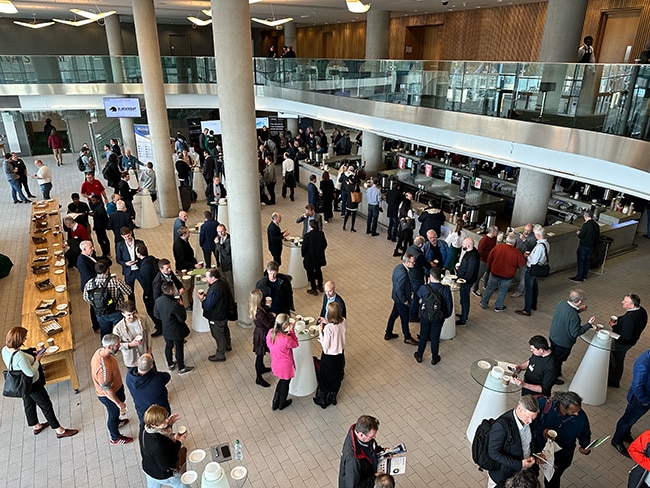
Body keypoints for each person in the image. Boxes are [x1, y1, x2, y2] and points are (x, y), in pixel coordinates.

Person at [2, 327, 78, 439]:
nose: (25, 339)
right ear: (19, 340)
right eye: (24, 338)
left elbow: (17, 356)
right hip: (32, 384)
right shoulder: (20, 357)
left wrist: (31, 353)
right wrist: (37, 359)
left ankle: (36, 426)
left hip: (23, 386)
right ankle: (59, 430)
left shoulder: (4, 350)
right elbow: (30, 372)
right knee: (46, 405)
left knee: (29, 404)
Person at [533, 391, 592, 488]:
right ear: (563, 407)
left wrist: (585, 446)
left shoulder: (581, 417)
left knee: (553, 479)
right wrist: (542, 430)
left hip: (562, 455)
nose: (577, 414)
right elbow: (532, 421)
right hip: (539, 450)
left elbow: (585, 433)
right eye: (573, 412)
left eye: (578, 410)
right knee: (533, 473)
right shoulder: (545, 405)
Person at [487, 395, 539, 488]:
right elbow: (493, 452)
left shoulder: (528, 421)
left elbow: (529, 443)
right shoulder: (501, 426)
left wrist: (537, 454)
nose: (530, 421)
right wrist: (520, 464)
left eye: (533, 418)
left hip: (523, 472)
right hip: (503, 476)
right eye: (528, 417)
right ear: (519, 408)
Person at [90, 333, 133, 445]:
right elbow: (107, 390)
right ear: (109, 347)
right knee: (113, 414)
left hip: (116, 387)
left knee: (116, 413)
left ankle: (118, 421)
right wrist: (119, 403)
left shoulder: (101, 351)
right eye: (117, 345)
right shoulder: (103, 369)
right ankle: (115, 437)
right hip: (109, 395)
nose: (119, 347)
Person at [547, 289, 596, 385]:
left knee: (554, 357)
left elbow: (566, 315)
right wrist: (589, 324)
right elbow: (576, 332)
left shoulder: (561, 303)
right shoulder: (574, 316)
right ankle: (553, 377)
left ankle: (556, 372)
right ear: (580, 301)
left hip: (554, 336)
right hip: (563, 342)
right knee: (558, 360)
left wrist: (578, 310)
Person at [612, 349, 650, 457]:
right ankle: (617, 440)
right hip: (640, 399)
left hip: (646, 397)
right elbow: (637, 386)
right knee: (627, 420)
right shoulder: (643, 364)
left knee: (632, 419)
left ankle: (626, 434)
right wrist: (645, 401)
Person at [141, 405, 188, 488]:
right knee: (182, 485)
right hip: (162, 474)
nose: (167, 420)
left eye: (166, 417)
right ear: (154, 424)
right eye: (163, 421)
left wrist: (168, 424)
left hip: (148, 468)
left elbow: (161, 434)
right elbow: (167, 464)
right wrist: (179, 442)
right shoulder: (158, 445)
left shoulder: (144, 428)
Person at [83, 260, 132, 338]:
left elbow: (86, 298)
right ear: (108, 269)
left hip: (100, 313)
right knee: (121, 330)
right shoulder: (115, 281)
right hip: (116, 311)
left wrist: (98, 304)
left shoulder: (89, 283)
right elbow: (128, 291)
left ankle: (107, 347)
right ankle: (122, 345)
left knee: (105, 332)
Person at [414, 267, 453, 365]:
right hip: (438, 318)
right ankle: (434, 358)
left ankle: (419, 355)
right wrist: (445, 316)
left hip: (425, 316)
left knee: (423, 335)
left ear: (430, 276)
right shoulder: (445, 289)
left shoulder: (424, 288)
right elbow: (449, 306)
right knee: (435, 337)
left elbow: (418, 299)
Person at [609, 294, 648, 387]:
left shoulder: (630, 319)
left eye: (625, 301)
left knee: (617, 360)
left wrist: (614, 326)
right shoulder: (641, 310)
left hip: (623, 343)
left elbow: (625, 336)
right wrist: (619, 319)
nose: (622, 302)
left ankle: (614, 380)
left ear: (632, 304)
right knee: (616, 359)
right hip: (633, 340)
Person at [154, 281, 193, 375]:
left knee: (168, 346)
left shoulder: (158, 300)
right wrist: (181, 305)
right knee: (179, 348)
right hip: (176, 330)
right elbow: (182, 318)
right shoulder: (174, 304)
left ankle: (170, 364)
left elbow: (156, 314)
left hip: (166, 329)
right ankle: (181, 367)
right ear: (171, 291)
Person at [480, 234, 525, 313]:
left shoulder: (498, 247)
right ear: (515, 243)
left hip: (494, 273)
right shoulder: (516, 252)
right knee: (502, 291)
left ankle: (484, 303)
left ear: (506, 240)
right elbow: (522, 264)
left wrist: (490, 267)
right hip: (507, 276)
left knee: (490, 288)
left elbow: (490, 258)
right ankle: (498, 306)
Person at [315, 302, 347, 408]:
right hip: (339, 354)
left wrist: (321, 332)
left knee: (324, 377)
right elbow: (336, 326)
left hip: (329, 356)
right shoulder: (343, 321)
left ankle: (323, 401)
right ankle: (333, 398)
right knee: (336, 376)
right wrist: (327, 322)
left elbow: (325, 346)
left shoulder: (328, 328)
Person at [339, 415, 385, 488]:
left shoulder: (359, 433)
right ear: (361, 435)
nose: (374, 438)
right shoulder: (353, 460)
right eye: (372, 436)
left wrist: (382, 451)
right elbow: (354, 486)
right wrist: (374, 478)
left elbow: (370, 446)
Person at [125, 353, 171, 426]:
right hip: (159, 411)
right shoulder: (157, 379)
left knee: (145, 426)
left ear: (137, 363)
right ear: (152, 366)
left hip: (142, 409)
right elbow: (167, 376)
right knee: (164, 425)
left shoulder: (129, 376)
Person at [200, 268, 234, 363]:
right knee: (224, 330)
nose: (206, 279)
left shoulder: (215, 289)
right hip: (224, 313)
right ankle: (227, 345)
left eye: (207, 277)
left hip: (216, 316)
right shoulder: (222, 281)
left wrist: (202, 299)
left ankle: (220, 355)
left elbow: (208, 306)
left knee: (218, 335)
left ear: (213, 278)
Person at [266, 313, 298, 410]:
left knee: (281, 380)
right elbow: (295, 344)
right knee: (285, 383)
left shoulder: (270, 333)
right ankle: (282, 403)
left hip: (276, 362)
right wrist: (292, 331)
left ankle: (275, 402)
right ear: (284, 325)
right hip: (286, 365)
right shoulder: (286, 339)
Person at [384, 253, 418, 345]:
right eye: (412, 262)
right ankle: (407, 337)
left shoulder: (398, 267)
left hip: (396, 297)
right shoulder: (404, 274)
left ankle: (388, 333)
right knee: (404, 319)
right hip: (401, 300)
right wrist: (405, 301)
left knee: (394, 315)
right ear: (406, 262)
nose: (413, 263)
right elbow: (399, 290)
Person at [516, 225, 549, 317]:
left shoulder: (539, 247)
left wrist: (528, 256)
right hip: (539, 268)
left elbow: (533, 261)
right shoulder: (546, 244)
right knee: (535, 287)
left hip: (531, 269)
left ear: (538, 235)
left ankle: (527, 309)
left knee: (529, 290)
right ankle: (533, 305)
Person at [112, 300, 153, 370]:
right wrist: (130, 344)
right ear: (123, 314)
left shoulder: (142, 319)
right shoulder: (118, 328)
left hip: (145, 354)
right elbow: (117, 346)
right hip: (132, 360)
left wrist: (149, 351)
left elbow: (148, 334)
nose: (132, 316)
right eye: (129, 315)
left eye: (133, 313)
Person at [152, 258, 184, 336]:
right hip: (169, 303)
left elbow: (176, 281)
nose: (170, 270)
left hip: (177, 297)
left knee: (180, 317)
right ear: (161, 269)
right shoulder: (157, 282)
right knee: (174, 321)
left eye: (170, 267)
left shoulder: (170, 272)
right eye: (167, 269)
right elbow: (156, 298)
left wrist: (181, 287)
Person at [249, 289, 273, 388]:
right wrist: (272, 316)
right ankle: (259, 378)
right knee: (259, 356)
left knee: (261, 355)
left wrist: (268, 306)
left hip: (260, 332)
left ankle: (262, 368)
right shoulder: (259, 312)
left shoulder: (256, 307)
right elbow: (268, 323)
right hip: (262, 334)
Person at [569, 210, 600, 283]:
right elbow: (597, 236)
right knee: (587, 261)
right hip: (591, 246)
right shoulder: (596, 225)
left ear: (585, 216)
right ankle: (584, 276)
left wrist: (578, 233)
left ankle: (579, 277)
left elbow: (581, 235)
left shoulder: (586, 225)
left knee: (581, 261)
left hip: (584, 246)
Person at [456, 237, 480, 326]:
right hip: (466, 280)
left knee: (464, 299)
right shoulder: (472, 252)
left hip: (466, 282)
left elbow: (470, 272)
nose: (462, 245)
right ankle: (464, 314)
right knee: (463, 298)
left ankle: (463, 319)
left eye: (463, 244)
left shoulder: (472, 257)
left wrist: (461, 280)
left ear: (468, 245)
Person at [115, 227, 143, 301]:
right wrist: (125, 263)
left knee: (146, 288)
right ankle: (132, 309)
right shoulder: (120, 245)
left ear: (131, 233)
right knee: (130, 292)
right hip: (128, 272)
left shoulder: (139, 243)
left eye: (128, 236)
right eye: (125, 237)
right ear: (122, 236)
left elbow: (144, 255)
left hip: (139, 269)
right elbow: (118, 259)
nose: (127, 238)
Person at [136, 243, 159, 334]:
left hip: (151, 292)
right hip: (158, 288)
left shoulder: (145, 268)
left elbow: (147, 284)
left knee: (151, 309)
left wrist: (146, 295)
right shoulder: (153, 259)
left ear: (138, 254)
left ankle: (159, 326)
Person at [302, 219, 328, 295]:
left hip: (310, 258)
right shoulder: (321, 234)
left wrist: (304, 255)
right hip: (318, 257)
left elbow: (304, 248)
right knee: (318, 271)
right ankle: (320, 286)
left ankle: (313, 288)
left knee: (310, 273)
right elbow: (325, 244)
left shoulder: (307, 236)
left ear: (310, 226)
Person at [512, 223, 536, 298]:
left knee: (523, 276)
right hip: (516, 257)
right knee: (510, 270)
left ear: (532, 231)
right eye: (525, 230)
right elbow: (515, 244)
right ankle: (513, 282)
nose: (526, 232)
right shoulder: (519, 234)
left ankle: (519, 291)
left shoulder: (533, 238)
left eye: (528, 231)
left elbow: (531, 247)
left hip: (525, 260)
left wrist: (524, 240)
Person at [473, 225, 498, 298]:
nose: (497, 232)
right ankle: (475, 289)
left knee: (488, 273)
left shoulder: (494, 238)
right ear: (492, 232)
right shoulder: (484, 240)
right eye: (496, 231)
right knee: (479, 275)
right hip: (483, 260)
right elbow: (480, 252)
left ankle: (486, 285)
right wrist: (491, 253)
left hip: (490, 259)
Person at [393, 191, 414, 256]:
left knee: (400, 239)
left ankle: (396, 251)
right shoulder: (409, 210)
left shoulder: (401, 205)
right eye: (411, 197)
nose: (412, 199)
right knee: (407, 240)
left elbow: (399, 214)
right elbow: (411, 218)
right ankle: (404, 254)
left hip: (402, 225)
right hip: (408, 227)